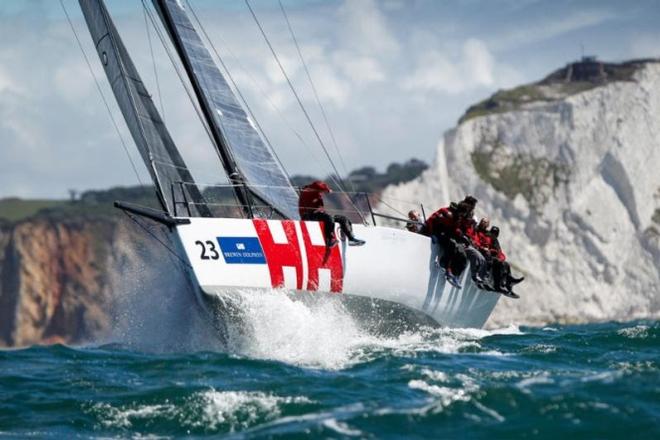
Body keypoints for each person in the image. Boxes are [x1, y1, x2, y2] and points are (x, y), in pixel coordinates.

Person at [298, 180, 365, 247]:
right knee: (328, 218)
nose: (323, 193)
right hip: (308, 216)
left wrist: (321, 210)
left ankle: (351, 239)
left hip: (317, 214)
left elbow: (320, 208)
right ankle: (330, 239)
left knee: (343, 219)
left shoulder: (317, 193)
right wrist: (327, 190)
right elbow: (319, 185)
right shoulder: (308, 192)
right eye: (323, 191)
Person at [485, 226, 524, 295]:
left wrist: (501, 258)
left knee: (506, 264)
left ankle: (509, 284)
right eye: (492, 233)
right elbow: (486, 248)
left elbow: (500, 253)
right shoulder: (487, 238)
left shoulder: (496, 241)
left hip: (494, 257)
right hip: (488, 256)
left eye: (495, 234)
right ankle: (497, 285)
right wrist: (493, 252)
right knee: (499, 263)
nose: (493, 235)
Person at [464, 217, 490, 284]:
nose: (482, 222)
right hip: (469, 246)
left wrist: (483, 248)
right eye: (482, 221)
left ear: (487, 225)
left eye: (485, 222)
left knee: (485, 258)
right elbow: (472, 239)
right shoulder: (475, 229)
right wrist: (479, 246)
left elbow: (485, 243)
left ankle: (483, 276)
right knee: (478, 256)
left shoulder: (487, 234)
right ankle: (475, 275)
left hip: (476, 248)